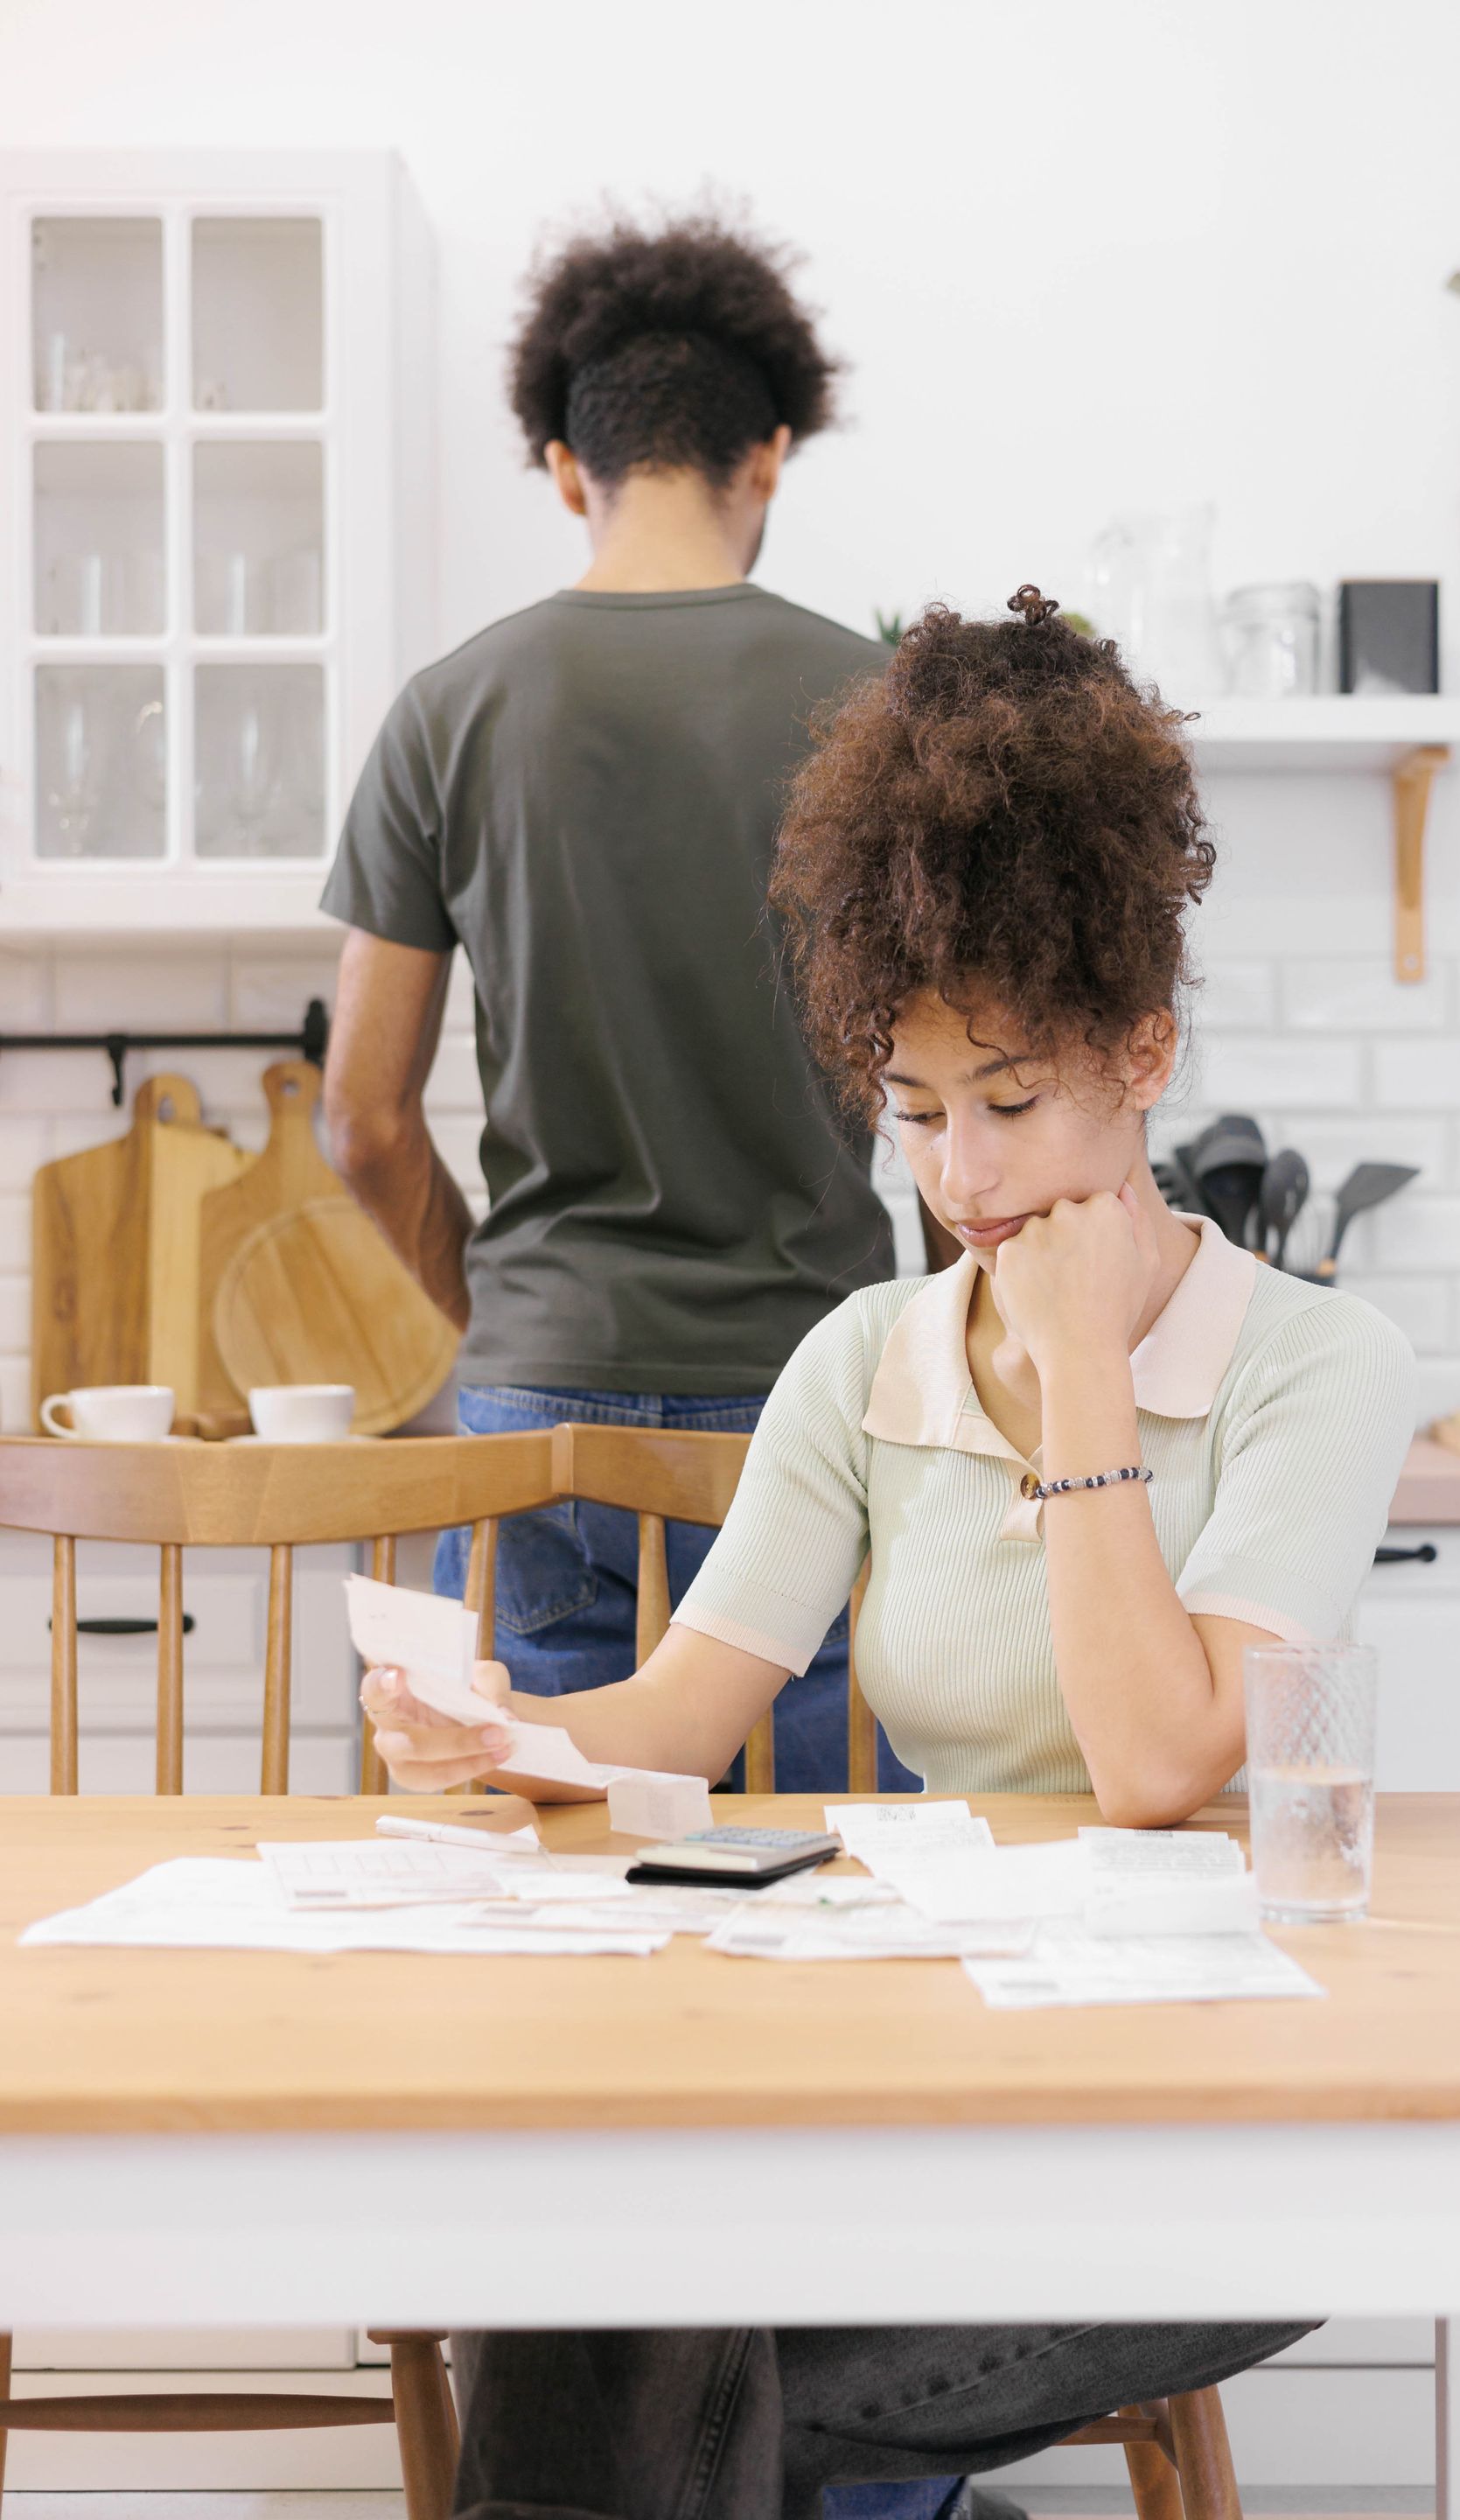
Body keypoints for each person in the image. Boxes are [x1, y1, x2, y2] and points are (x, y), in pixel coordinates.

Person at [363, 587, 1416, 2520]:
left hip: (1215, 2139)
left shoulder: (1320, 1367)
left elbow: (1164, 1765)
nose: (963, 1176)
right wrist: (512, 1737)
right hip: (946, 2087)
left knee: (650, 2340)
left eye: (1013, 1105)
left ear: (1144, 1049)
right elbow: (692, 1703)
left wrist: (1087, 1371)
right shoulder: (863, 1356)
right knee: (616, 2285)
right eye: (917, 1114)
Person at [320, 210, 916, 1793]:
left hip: (540, 1396)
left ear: (568, 469)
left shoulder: (449, 709)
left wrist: (510, 1330)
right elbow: (958, 1083)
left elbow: (361, 1122)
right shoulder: (876, 709)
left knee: (530, 1902)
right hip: (814, 1395)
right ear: (770, 456)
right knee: (826, 1902)